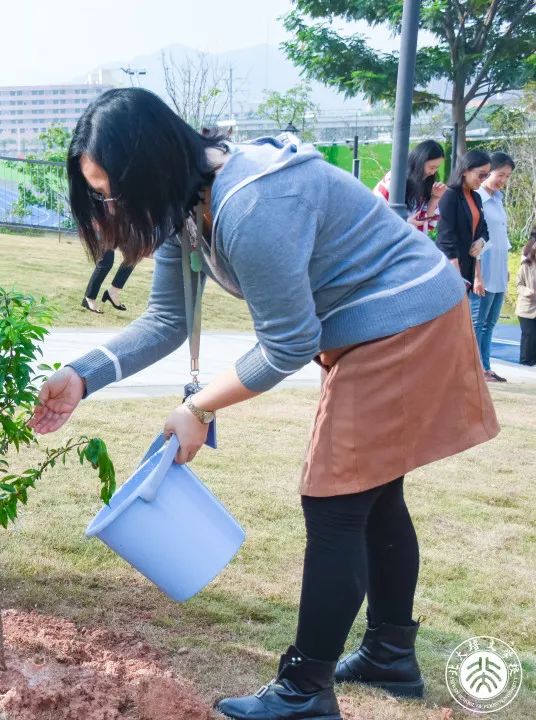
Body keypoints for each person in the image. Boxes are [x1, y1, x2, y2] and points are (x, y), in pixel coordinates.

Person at [28, 88, 498, 720]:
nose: (108, 209)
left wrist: (197, 408)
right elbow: (167, 322)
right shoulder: (186, 204)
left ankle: (306, 691)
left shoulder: (251, 205)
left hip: (404, 322)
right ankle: (390, 652)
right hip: (384, 324)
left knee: (333, 499)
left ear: (153, 168)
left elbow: (287, 344)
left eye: (111, 192)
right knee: (374, 493)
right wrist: (82, 377)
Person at [474, 152, 515, 382]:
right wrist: (477, 276)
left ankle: (486, 367)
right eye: (500, 174)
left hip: (499, 269)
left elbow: (502, 236)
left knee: (490, 323)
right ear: (489, 171)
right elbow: (476, 238)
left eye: (507, 176)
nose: (503, 180)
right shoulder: (478, 198)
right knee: (478, 323)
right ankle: (477, 368)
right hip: (484, 269)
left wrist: (506, 267)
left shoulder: (498, 199)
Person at [436, 150, 491, 298]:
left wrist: (481, 242)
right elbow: (445, 236)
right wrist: (455, 272)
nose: (483, 179)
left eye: (487, 175)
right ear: (465, 170)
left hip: (467, 266)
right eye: (481, 174)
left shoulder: (476, 197)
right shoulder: (449, 195)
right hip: (452, 267)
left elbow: (483, 228)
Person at [373, 139, 446, 234]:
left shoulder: (427, 182)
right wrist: (407, 222)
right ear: (419, 161)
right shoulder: (394, 180)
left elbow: (428, 223)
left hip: (410, 241)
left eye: (436, 168)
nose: (433, 172)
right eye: (431, 167)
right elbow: (376, 215)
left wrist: (435, 198)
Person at [517, 230, 536, 366]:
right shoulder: (526, 266)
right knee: (528, 337)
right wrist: (526, 291)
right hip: (527, 308)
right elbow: (518, 285)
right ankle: (524, 363)